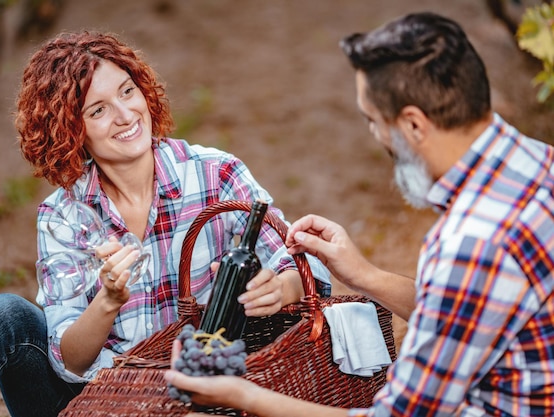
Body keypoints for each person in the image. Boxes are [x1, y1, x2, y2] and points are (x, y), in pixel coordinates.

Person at [165, 12, 554, 416]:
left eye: (373, 121)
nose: (374, 135)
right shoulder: (539, 162)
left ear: (414, 125)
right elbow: (465, 313)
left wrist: (241, 395)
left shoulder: (470, 243)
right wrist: (363, 275)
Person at [0, 31, 330, 417]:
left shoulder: (216, 176)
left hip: (205, 398)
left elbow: (300, 264)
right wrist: (107, 301)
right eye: (98, 109)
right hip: (98, 401)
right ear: (72, 131)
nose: (125, 115)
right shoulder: (64, 216)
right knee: (4, 316)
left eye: (127, 91)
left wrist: (280, 288)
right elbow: (69, 361)